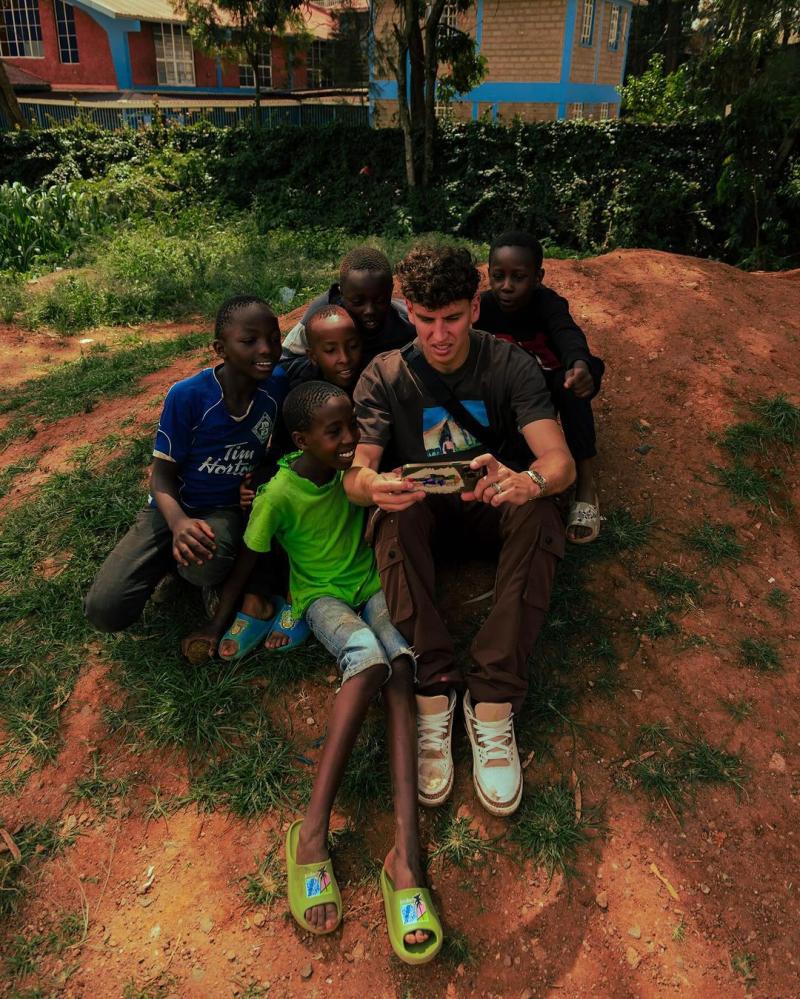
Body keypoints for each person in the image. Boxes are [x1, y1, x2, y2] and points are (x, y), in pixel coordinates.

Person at [185, 382, 442, 965]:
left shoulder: (350, 476)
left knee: (402, 664)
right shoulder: (278, 493)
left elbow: (373, 489)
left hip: (370, 584)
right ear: (302, 439)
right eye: (336, 432)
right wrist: (214, 626)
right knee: (370, 662)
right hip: (322, 597)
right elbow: (249, 559)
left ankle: (407, 855)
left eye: (353, 426)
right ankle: (311, 834)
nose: (351, 439)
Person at [345, 245, 575, 818]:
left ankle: (494, 699)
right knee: (392, 514)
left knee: (543, 509)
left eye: (451, 317)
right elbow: (357, 472)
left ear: (475, 307)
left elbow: (559, 461)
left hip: (491, 505)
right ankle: (432, 685)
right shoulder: (385, 374)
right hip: (424, 513)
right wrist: (373, 487)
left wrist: (529, 480)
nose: (439, 334)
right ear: (408, 312)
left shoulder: (509, 364)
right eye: (425, 320)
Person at [84, 296, 287, 652]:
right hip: (171, 507)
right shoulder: (189, 396)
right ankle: (168, 552)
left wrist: (263, 473)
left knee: (204, 565)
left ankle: (193, 573)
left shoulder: (275, 386)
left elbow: (280, 448)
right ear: (220, 349)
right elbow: (161, 476)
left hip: (222, 511)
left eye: (274, 338)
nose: (266, 349)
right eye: (250, 340)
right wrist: (177, 523)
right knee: (106, 611)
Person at [478, 230, 605, 543]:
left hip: (548, 379)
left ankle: (585, 483)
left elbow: (567, 334)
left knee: (571, 388)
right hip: (510, 387)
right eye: (498, 276)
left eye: (518, 277)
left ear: (537, 277)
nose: (506, 286)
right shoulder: (482, 308)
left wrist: (579, 365)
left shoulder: (548, 304)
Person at [281, 246, 413, 365]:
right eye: (357, 302)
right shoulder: (319, 317)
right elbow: (285, 360)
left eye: (380, 301)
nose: (369, 310)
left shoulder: (407, 320)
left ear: (391, 291)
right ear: (341, 293)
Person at [279, 304, 364, 394]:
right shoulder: (304, 393)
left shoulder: (373, 375)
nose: (345, 359)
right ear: (313, 357)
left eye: (353, 346)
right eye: (330, 350)